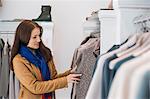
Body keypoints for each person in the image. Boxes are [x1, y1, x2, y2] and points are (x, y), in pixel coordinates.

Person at [10, 20, 81, 99]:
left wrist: (70, 73)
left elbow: (53, 78)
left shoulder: (45, 53)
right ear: (24, 38)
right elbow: (35, 87)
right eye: (34, 37)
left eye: (39, 35)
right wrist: (65, 80)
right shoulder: (18, 61)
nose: (39, 40)